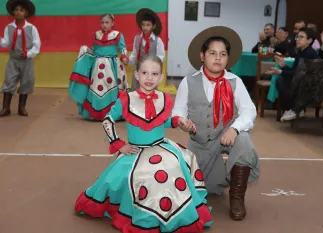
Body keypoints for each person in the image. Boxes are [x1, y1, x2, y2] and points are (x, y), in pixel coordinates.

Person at [74, 54, 213, 232]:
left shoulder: (165, 98)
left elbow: (165, 120)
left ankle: (171, 214)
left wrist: (180, 122)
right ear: (137, 75)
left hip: (162, 147)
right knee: (141, 177)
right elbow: (108, 120)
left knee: (174, 169)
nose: (149, 78)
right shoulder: (127, 98)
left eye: (155, 74)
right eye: (145, 73)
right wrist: (118, 144)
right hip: (135, 151)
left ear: (161, 78)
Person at [173, 26, 260, 221]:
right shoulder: (189, 82)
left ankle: (237, 198)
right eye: (213, 53)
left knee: (244, 141)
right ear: (202, 56)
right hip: (201, 144)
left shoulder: (235, 81)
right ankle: (219, 177)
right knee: (207, 190)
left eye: (223, 54)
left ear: (228, 59)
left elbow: (249, 111)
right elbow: (178, 110)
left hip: (227, 136)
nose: (218, 58)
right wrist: (182, 121)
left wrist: (235, 129)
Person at [68, 14, 129, 121]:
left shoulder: (117, 35)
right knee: (97, 87)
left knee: (112, 88)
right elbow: (94, 49)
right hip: (98, 66)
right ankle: (98, 113)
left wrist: (124, 57)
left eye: (107, 22)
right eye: (102, 22)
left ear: (112, 23)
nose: (104, 25)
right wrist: (85, 52)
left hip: (112, 66)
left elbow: (122, 47)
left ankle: (113, 112)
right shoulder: (96, 35)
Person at [266, 27, 319, 121]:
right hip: (301, 81)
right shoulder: (301, 52)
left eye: (301, 37)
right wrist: (283, 66)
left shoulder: (309, 53)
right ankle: (292, 108)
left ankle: (295, 108)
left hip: (310, 85)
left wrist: (281, 71)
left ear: (309, 40)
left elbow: (299, 73)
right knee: (281, 79)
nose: (297, 39)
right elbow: (295, 71)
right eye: (297, 37)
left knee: (281, 80)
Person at [0, 0, 40, 117]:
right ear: (13, 12)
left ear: (26, 13)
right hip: (13, 60)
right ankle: (5, 108)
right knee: (9, 81)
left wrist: (28, 54)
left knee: (26, 82)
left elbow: (36, 45)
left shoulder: (32, 28)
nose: (18, 12)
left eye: (21, 10)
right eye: (16, 10)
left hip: (26, 61)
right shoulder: (9, 27)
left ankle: (21, 108)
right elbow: (6, 43)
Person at [129, 8, 165, 91]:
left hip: (150, 71)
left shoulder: (157, 41)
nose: (145, 27)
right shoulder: (137, 38)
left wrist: (153, 66)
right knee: (136, 91)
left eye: (148, 25)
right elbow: (134, 52)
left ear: (153, 26)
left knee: (150, 91)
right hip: (138, 70)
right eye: (143, 25)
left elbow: (160, 57)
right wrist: (129, 61)